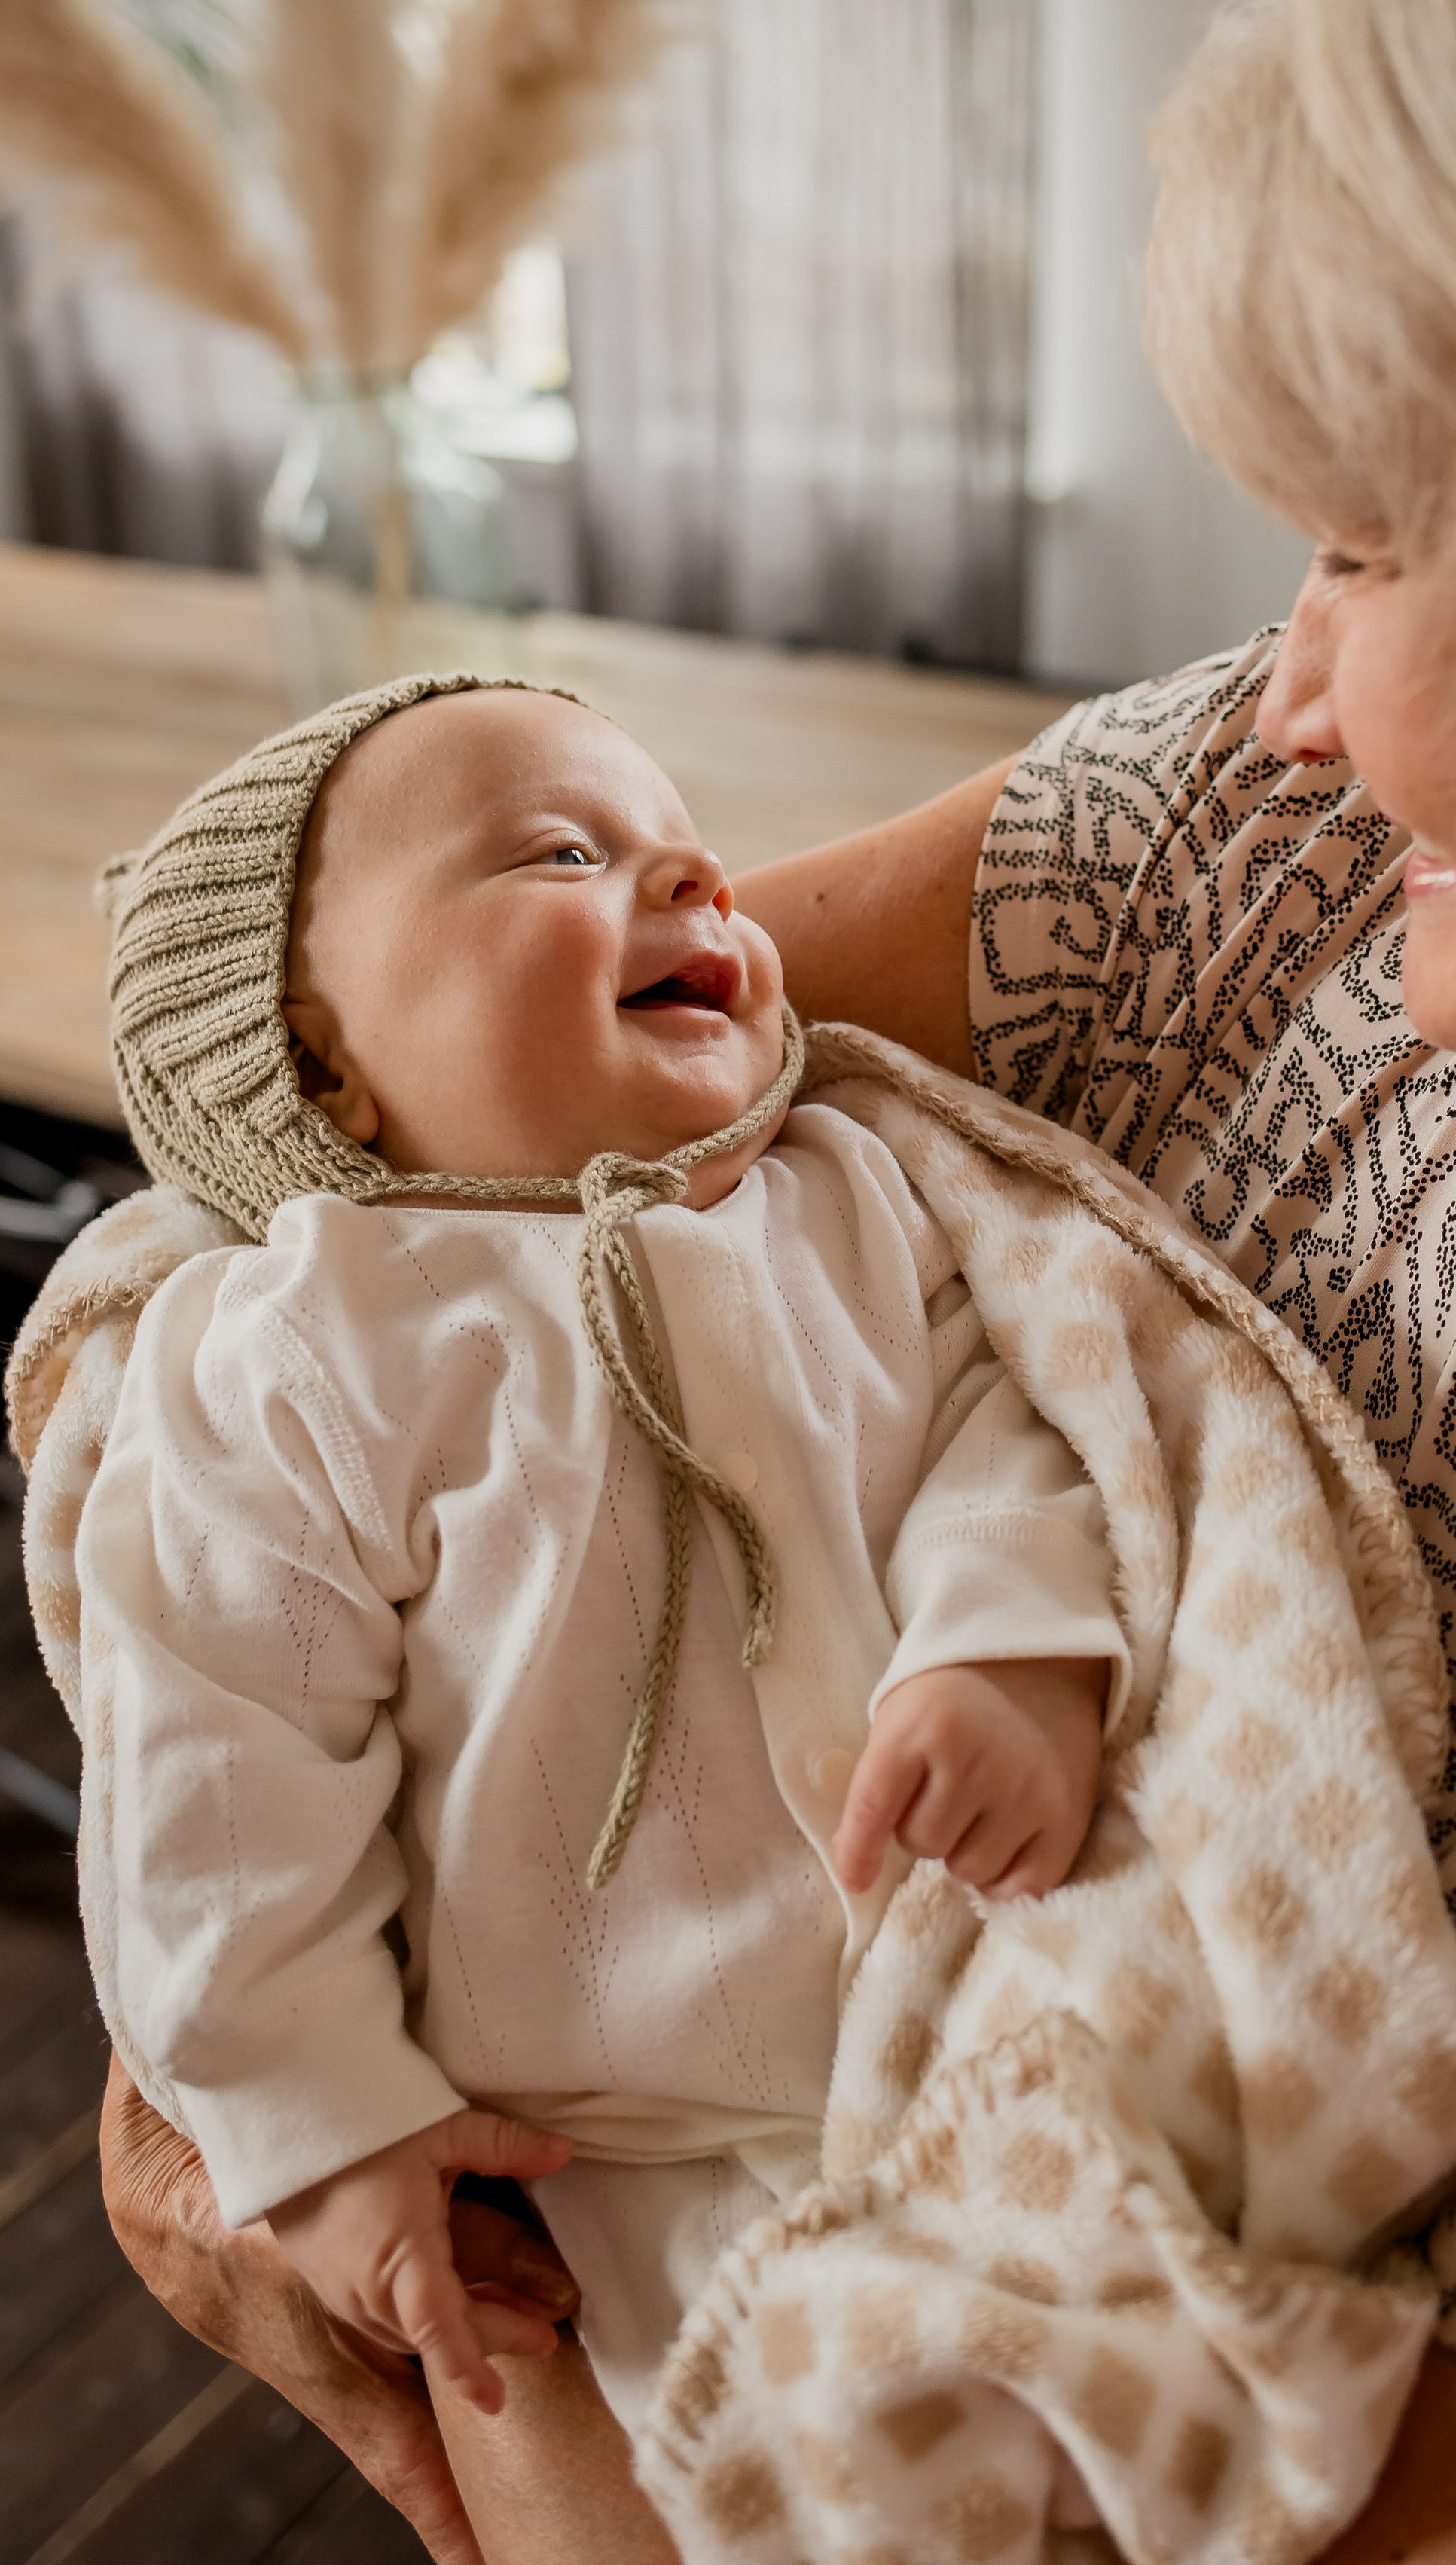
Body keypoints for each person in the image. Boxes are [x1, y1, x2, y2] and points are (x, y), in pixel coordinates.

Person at [84, 0, 1456, 2559]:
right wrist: (265, 2031)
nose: (1276, 683)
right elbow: (299, 1217)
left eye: (1364, 539)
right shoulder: (1284, 820)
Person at [78, 673, 1128, 2453]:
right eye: (568, 852)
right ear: (325, 1059)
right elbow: (214, 1764)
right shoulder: (310, 1341)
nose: (700, 880)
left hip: (973, 2011)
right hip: (587, 2146)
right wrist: (326, 2129)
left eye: (686, 847)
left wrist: (1007, 1647)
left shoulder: (847, 1198)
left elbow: (1006, 1422)